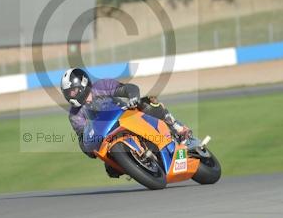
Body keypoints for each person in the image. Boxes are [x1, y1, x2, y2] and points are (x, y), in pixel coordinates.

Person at [60, 67, 191, 178]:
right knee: (111, 170)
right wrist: (88, 148)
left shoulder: (101, 86)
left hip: (128, 116)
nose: (71, 95)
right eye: (67, 93)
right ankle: (139, 166)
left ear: (82, 83)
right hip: (108, 140)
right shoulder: (74, 115)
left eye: (73, 91)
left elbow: (126, 89)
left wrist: (132, 96)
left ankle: (177, 127)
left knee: (147, 103)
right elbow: (83, 137)